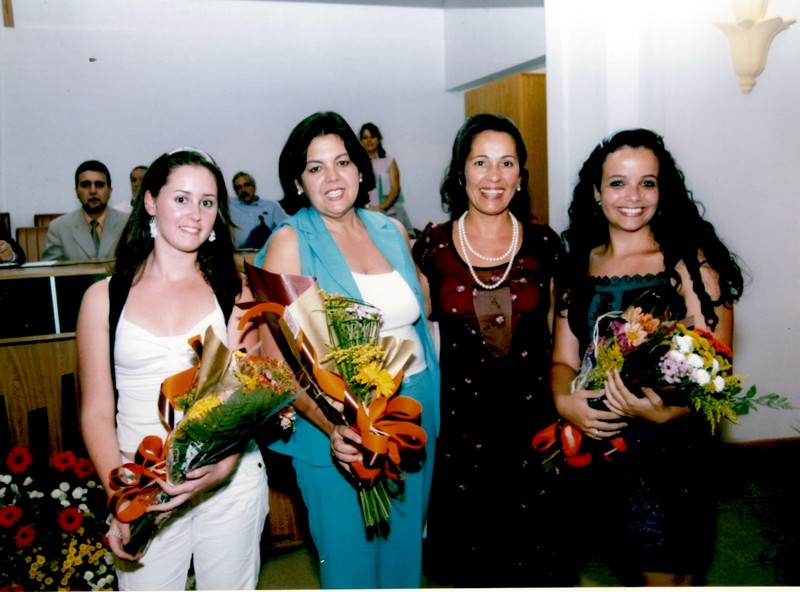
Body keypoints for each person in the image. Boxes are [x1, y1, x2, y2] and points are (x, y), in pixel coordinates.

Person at [550, 128, 744, 586]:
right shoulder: (577, 267)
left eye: (647, 183)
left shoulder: (691, 267)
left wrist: (665, 413)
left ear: (663, 190)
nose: (633, 196)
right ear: (596, 193)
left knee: (673, 577)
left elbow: (718, 372)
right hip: (600, 452)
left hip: (672, 454)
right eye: (618, 182)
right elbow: (563, 359)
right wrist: (564, 401)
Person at [255, 111, 440, 589]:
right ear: (297, 182)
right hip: (338, 429)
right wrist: (334, 426)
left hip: (414, 417)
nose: (332, 177)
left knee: (404, 562)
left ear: (361, 169)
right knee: (351, 569)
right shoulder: (290, 243)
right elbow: (276, 363)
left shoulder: (391, 232)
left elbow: (419, 317)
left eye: (342, 162)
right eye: (315, 168)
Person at [77, 148, 269, 590]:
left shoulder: (235, 292)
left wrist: (223, 467)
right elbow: (96, 412)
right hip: (140, 486)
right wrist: (120, 497)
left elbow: (244, 401)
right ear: (150, 201)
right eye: (181, 199)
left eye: (207, 202)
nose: (195, 214)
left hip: (228, 481)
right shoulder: (103, 298)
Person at [412, 113, 573, 587]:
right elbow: (414, 329)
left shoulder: (545, 245)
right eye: (481, 162)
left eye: (507, 163)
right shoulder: (432, 247)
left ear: (521, 175)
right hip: (461, 435)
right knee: (469, 564)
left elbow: (563, 338)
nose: (494, 176)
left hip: (533, 429)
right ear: (461, 171)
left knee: (536, 560)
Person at [42, 160, 128, 261]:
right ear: (76, 192)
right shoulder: (58, 228)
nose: (93, 191)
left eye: (99, 185)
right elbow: (52, 269)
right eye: (86, 185)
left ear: (110, 191)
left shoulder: (128, 223)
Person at [359, 122, 415, 234]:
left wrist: (381, 209)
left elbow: (395, 189)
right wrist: (369, 209)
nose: (369, 140)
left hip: (389, 212)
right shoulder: (357, 164)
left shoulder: (389, 161)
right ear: (361, 141)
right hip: (365, 214)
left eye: (373, 137)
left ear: (379, 139)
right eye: (365, 137)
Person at [229, 171, 288, 249]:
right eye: (238, 187)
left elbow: (287, 228)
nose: (243, 190)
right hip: (241, 252)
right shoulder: (230, 206)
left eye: (246, 185)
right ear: (235, 192)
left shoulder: (270, 206)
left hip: (267, 251)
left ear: (254, 187)